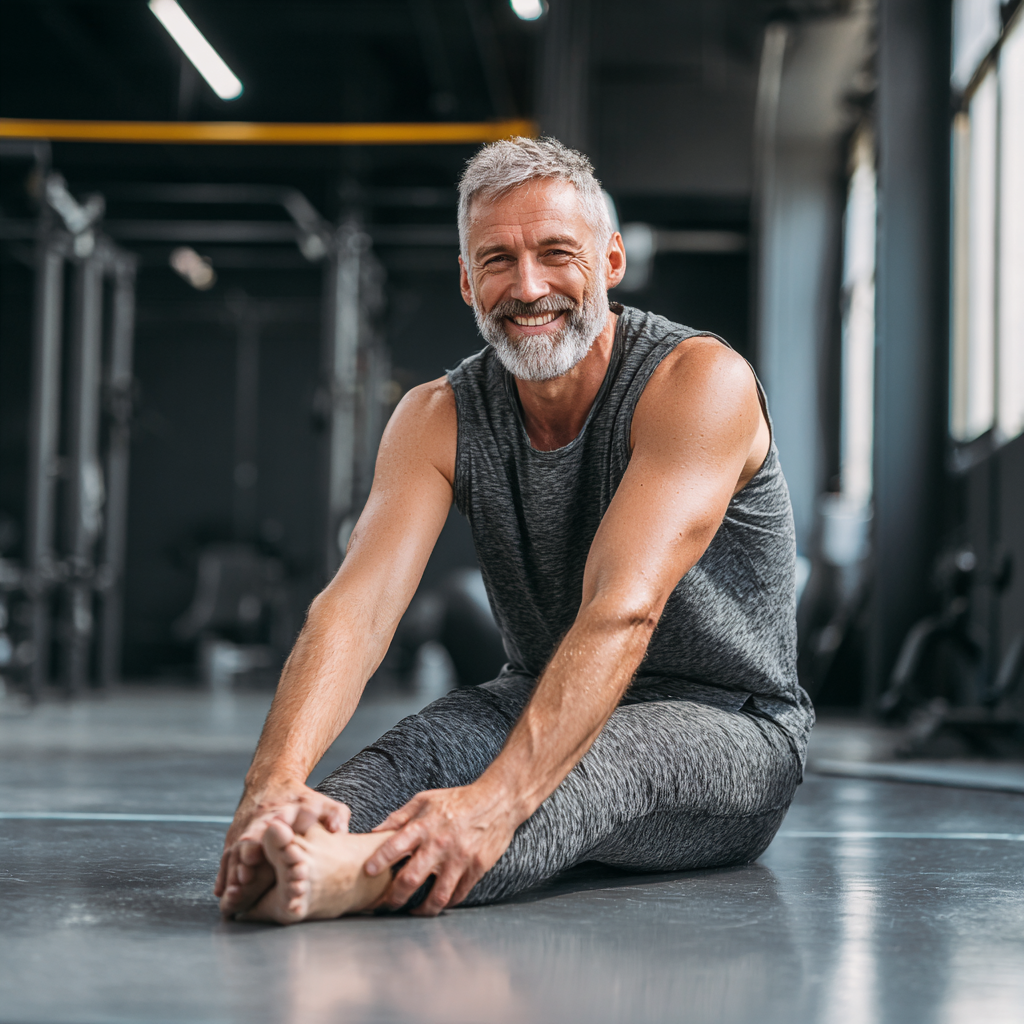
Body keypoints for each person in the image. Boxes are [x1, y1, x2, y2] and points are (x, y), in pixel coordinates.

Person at [214, 137, 814, 924]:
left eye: (556, 254)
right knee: (382, 773)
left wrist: (490, 808)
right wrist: (275, 789)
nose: (527, 288)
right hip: (532, 695)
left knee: (598, 767)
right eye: (497, 261)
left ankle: (358, 875)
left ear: (611, 261)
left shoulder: (697, 383)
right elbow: (355, 611)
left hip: (730, 730)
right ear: (468, 281)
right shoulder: (437, 416)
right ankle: (315, 852)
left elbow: (621, 609)